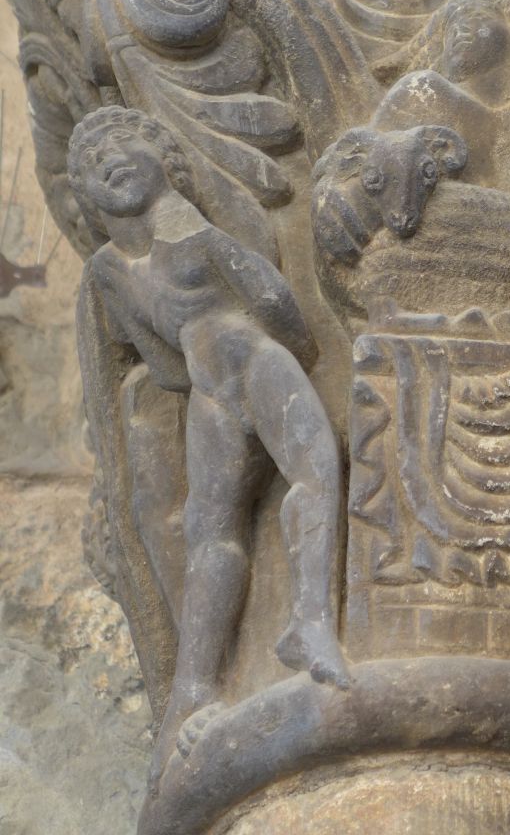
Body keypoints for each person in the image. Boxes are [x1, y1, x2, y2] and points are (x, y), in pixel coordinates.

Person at [68, 106, 349, 782]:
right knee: (218, 528)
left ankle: (308, 623)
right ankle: (196, 688)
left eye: (122, 143)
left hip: (243, 365)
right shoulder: (111, 268)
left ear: (167, 158)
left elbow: (274, 298)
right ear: (86, 197)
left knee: (301, 479)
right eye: (91, 162)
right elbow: (172, 357)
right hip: (225, 379)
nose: (108, 160)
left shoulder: (182, 229)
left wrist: (277, 352)